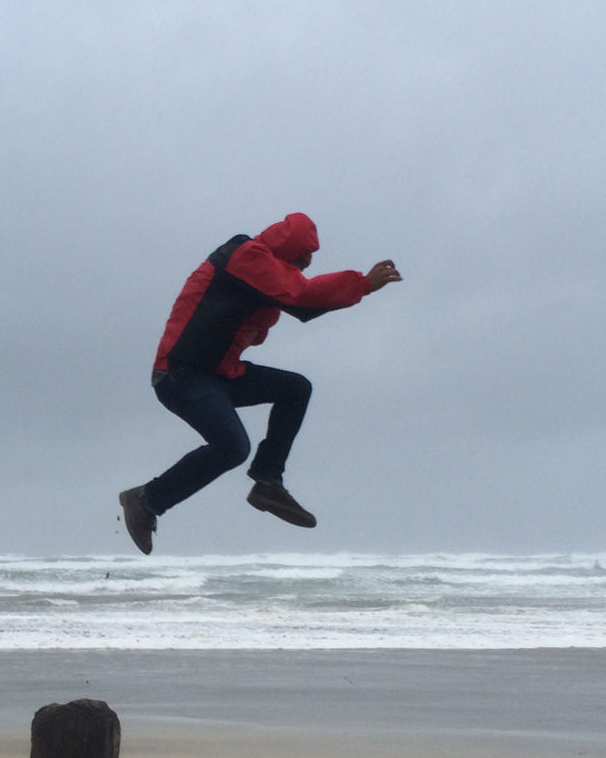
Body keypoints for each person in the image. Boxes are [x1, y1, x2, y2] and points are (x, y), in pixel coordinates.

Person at [118, 212, 401, 554]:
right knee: (232, 446)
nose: (308, 263)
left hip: (220, 374)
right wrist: (363, 283)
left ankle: (268, 482)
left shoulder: (263, 273)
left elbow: (304, 305)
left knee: (295, 389)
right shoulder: (244, 254)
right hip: (180, 374)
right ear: (285, 247)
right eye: (303, 255)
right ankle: (145, 500)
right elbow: (301, 295)